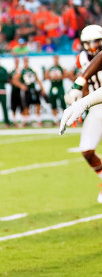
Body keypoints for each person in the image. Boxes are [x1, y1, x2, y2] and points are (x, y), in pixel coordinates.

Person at [58, 24, 102, 203]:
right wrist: (77, 97)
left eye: (96, 42)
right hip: (96, 105)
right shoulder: (81, 59)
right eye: (88, 43)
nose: (92, 47)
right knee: (86, 150)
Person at [12, 57, 44, 127]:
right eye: (25, 62)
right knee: (26, 105)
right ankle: (27, 120)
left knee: (37, 104)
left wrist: (42, 89)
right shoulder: (21, 71)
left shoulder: (32, 70)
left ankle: (38, 120)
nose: (26, 63)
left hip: (33, 89)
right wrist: (21, 85)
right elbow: (14, 80)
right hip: (26, 90)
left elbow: (37, 79)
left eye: (27, 61)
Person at [45, 55, 67, 123]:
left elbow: (66, 75)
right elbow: (46, 76)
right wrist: (52, 77)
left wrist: (59, 77)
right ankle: (55, 119)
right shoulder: (50, 68)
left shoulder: (61, 67)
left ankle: (64, 119)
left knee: (62, 101)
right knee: (53, 102)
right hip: (53, 86)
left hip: (60, 86)